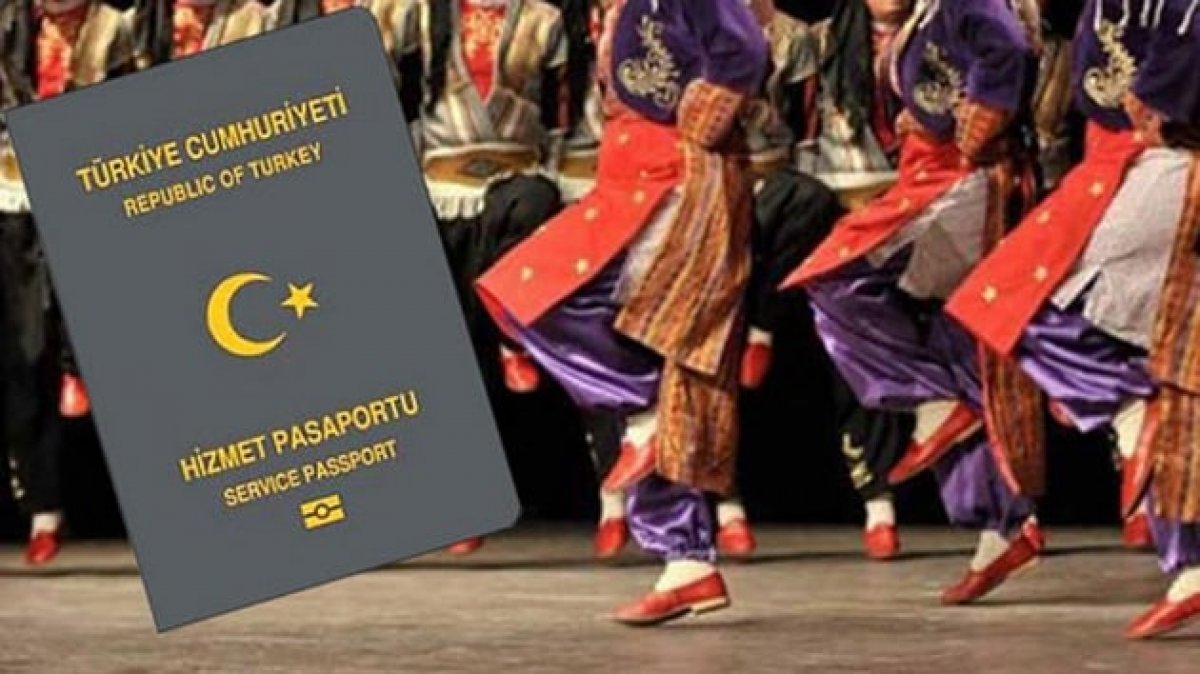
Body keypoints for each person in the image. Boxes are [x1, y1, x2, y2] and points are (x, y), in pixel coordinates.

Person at [476, 0, 766, 624]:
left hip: (673, 179)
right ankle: (686, 561)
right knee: (524, 301)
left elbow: (742, 49)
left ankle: (649, 423)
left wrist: (702, 122)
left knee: (565, 310)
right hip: (624, 180)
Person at [272, 0, 569, 556]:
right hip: (439, 190)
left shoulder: (543, 19)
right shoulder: (420, 15)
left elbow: (560, 120)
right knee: (442, 355)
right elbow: (386, 91)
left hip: (515, 187)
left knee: (531, 211)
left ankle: (511, 337)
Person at [945, 0, 1200, 639]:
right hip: (1114, 162)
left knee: (1032, 311)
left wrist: (1161, 99)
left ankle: (1130, 417)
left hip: (1164, 159)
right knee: (1018, 311)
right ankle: (1188, 562)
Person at [780, 0, 1047, 603]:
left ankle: (932, 405)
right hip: (932, 181)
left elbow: (1006, 47)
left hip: (966, 184)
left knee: (837, 278)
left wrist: (985, 113)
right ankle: (1001, 528)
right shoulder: (924, 17)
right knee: (955, 353)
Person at [0, 0, 135, 565]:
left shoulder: (115, 29)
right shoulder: (10, 27)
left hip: (90, 198)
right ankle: (43, 510)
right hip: (15, 201)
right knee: (26, 357)